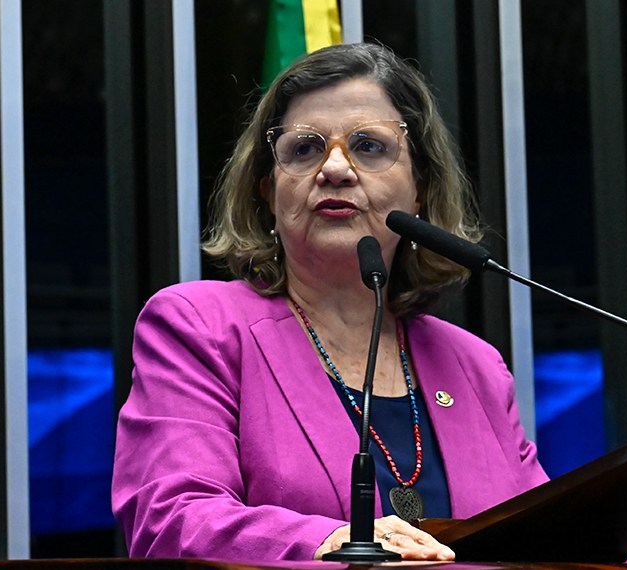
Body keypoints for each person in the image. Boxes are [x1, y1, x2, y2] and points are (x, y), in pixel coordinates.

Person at [111, 42, 548, 562]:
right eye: (304, 149)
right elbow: (172, 517)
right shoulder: (199, 326)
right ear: (268, 193)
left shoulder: (475, 365)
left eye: (368, 146)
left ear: (421, 191)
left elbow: (545, 533)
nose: (335, 168)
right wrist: (327, 542)